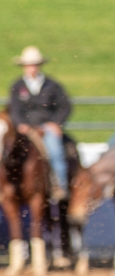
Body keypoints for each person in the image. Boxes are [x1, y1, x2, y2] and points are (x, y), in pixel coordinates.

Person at [8, 45, 72, 202]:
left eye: (34, 64)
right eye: (28, 65)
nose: (31, 68)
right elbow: (14, 108)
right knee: (8, 152)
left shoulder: (52, 85)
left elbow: (64, 106)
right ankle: (8, 186)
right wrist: (20, 124)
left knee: (55, 153)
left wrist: (55, 123)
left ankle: (59, 186)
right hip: (25, 129)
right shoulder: (17, 86)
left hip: (46, 127)